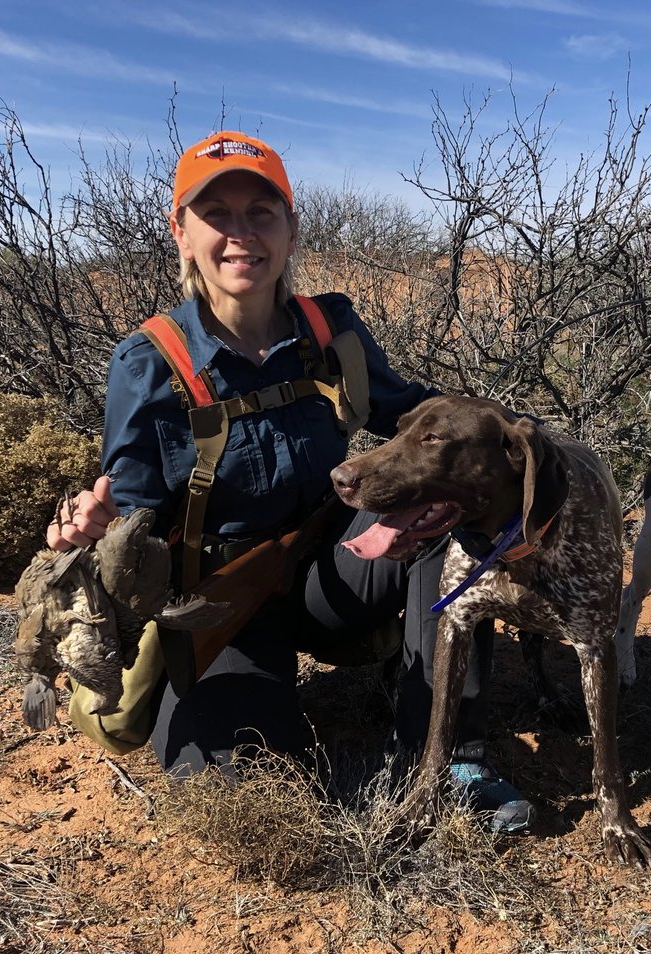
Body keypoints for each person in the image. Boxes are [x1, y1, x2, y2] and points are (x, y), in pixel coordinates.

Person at [47, 130, 532, 833]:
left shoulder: (328, 328)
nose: (240, 235)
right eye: (217, 216)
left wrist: (524, 435)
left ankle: (447, 750)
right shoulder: (148, 362)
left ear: (291, 228)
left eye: (261, 213)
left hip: (327, 568)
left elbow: (411, 412)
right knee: (242, 791)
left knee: (441, 509)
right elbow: (136, 509)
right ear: (181, 233)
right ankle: (262, 700)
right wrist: (99, 527)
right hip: (219, 603)